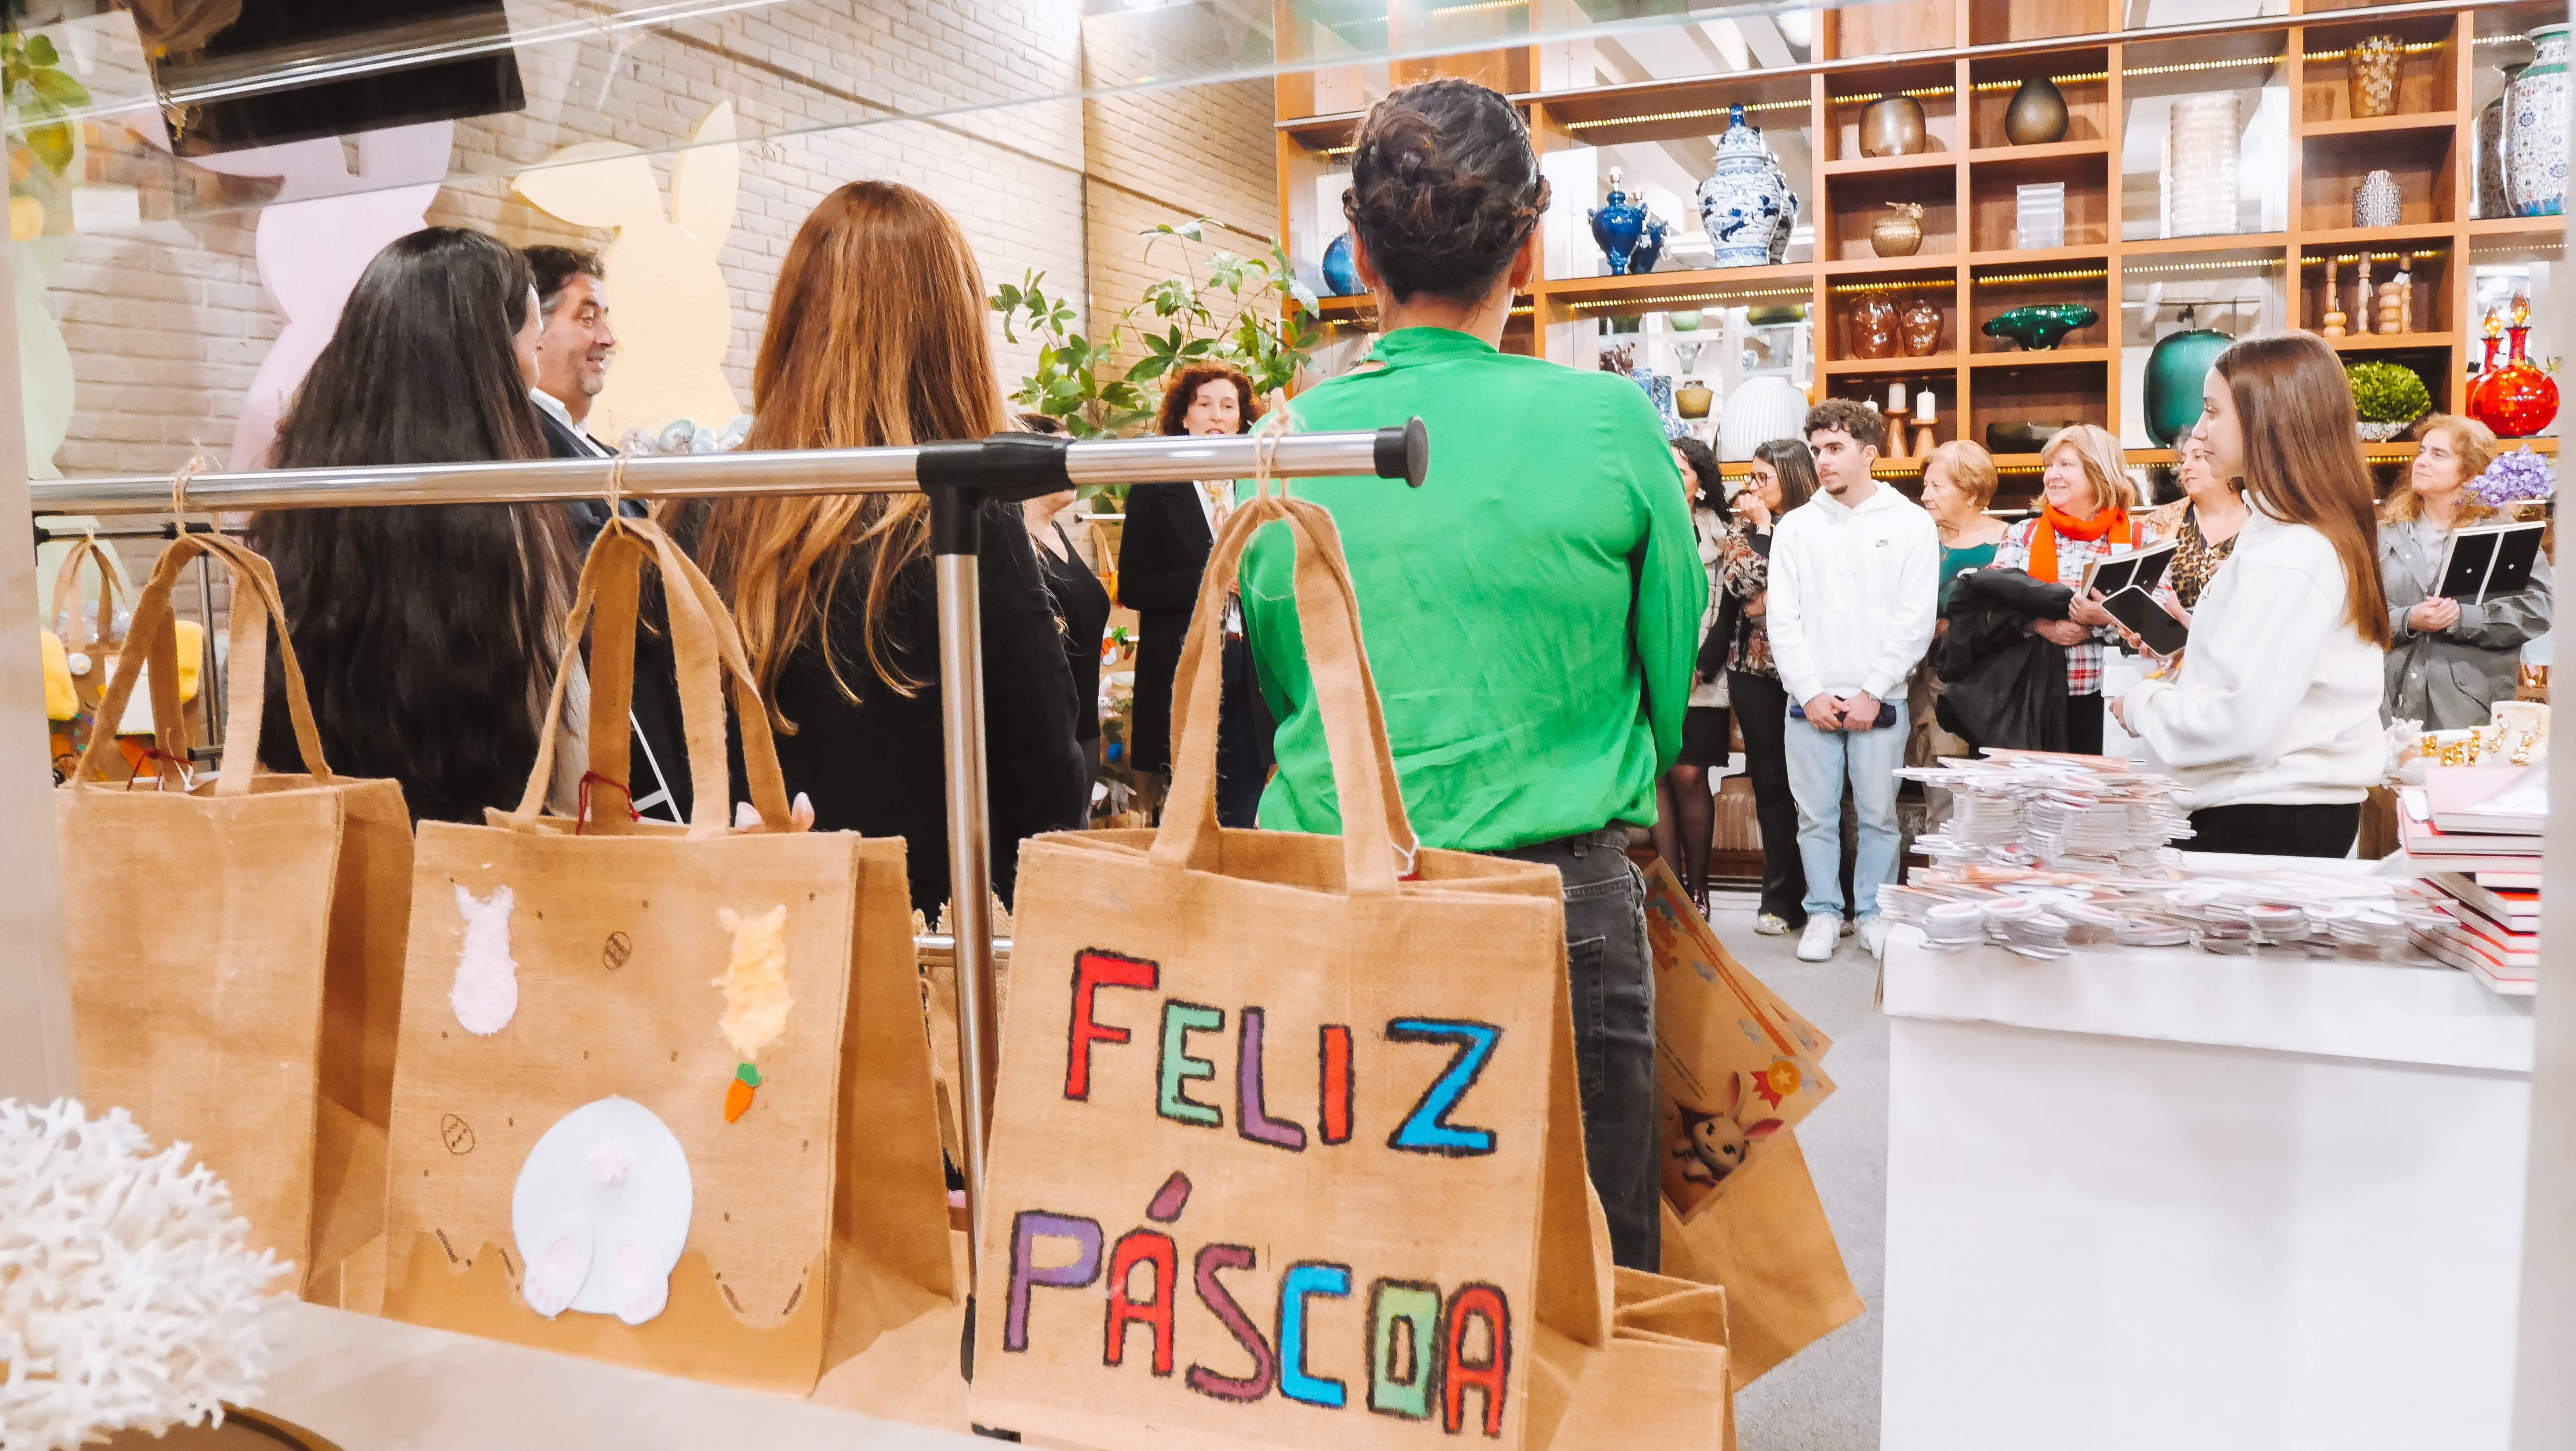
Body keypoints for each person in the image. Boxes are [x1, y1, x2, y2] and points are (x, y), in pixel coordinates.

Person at [1234, 77, 1702, 1272]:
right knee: (1581, 1279)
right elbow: (1668, 656)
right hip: (1550, 894)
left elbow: (1290, 677)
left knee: (1346, 1268)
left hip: (1330, 886)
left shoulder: (1288, 440)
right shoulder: (1608, 423)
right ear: (1527, 249)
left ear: (1360, 256)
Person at [682, 181, 1089, 914]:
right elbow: (1045, 783)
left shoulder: (699, 509)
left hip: (740, 930)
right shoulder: (962, 520)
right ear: (953, 333)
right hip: (928, 943)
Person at [249, 227, 581, 825]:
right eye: (533, 345)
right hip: (481, 844)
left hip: (331, 838)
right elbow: (565, 743)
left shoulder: (300, 502)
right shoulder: (509, 520)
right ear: (493, 361)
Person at [2111, 332, 2391, 857]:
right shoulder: (2286, 534)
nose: (2199, 431)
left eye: (2212, 411)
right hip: (2275, 810)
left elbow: (2243, 726)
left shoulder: (2292, 550)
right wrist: (2199, 648)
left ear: (2269, 418)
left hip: (2267, 815)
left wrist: (2143, 704)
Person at [1766, 398, 1940, 963]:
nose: (1823, 459)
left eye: (1836, 448)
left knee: (1879, 816)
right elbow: (1782, 619)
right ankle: (1822, 913)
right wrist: (1809, 690)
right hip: (1809, 698)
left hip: (1880, 697)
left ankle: (1874, 914)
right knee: (1814, 816)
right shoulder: (1796, 527)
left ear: (1869, 454)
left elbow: (1915, 618)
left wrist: (1874, 689)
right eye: (1817, 449)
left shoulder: (1910, 523)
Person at [1119, 363, 1275, 827]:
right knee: (1188, 806)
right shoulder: (1154, 485)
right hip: (1186, 662)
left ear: (1243, 421)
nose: (1216, 415)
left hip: (1249, 661)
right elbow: (1133, 585)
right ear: (1184, 418)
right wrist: (1212, 578)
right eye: (1204, 404)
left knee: (1244, 802)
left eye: (1228, 406)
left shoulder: (1257, 485)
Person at [1989, 424, 2161, 757]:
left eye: (2065, 465)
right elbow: (1991, 609)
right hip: (2029, 697)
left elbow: (2160, 623)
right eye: (2049, 465)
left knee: (2100, 790)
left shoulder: (2140, 540)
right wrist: (2043, 626)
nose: (2051, 475)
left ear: (2099, 473)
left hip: (2110, 701)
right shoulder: (2022, 535)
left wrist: (2107, 617)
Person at [2379, 413, 2552, 729]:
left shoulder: (2504, 535)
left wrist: (2463, 619)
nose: (2421, 461)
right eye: (2422, 451)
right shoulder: (2381, 535)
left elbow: (2537, 610)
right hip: (2386, 709)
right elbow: (2351, 614)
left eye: (2438, 454)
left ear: (2471, 471)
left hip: (2467, 713)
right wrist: (2408, 619)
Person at [1714, 438, 1819, 937]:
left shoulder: (1820, 523)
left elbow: (1815, 585)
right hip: (1753, 672)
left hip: (1813, 670)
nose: (1752, 487)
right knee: (1772, 786)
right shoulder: (1742, 527)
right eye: (1750, 477)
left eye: (1763, 478)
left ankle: (1827, 896)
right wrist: (1761, 530)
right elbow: (1742, 586)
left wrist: (1773, 597)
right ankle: (1779, 899)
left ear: (1792, 477)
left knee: (1817, 787)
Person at [1656, 434, 1727, 912]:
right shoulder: (1647, 522)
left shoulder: (1721, 532)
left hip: (1703, 674)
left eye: (1680, 470)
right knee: (1658, 777)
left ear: (1699, 483)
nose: (1670, 476)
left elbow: (1729, 613)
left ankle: (1699, 890)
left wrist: (1699, 667)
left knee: (1690, 775)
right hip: (1652, 668)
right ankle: (1670, 893)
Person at [1019, 412, 1112, 764]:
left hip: (1083, 729)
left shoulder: (1055, 532)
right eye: (1062, 455)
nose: (1071, 467)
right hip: (1045, 736)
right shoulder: (1016, 541)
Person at [1912, 440, 2007, 769]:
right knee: (1934, 774)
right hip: (1926, 679)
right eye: (1925, 486)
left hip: (1987, 684)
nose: (1926, 496)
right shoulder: (1917, 538)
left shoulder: (2008, 541)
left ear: (1972, 492)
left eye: (1937, 487)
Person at [522, 244, 617, 462]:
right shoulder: (522, 445)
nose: (609, 339)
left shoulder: (599, 450)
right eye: (588, 318)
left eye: (604, 318)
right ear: (533, 325)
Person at [2142, 432, 2249, 619]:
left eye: (2198, 457)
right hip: (2174, 634)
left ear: (2228, 462)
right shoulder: (2159, 523)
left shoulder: (2262, 519)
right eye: (2183, 460)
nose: (2186, 467)